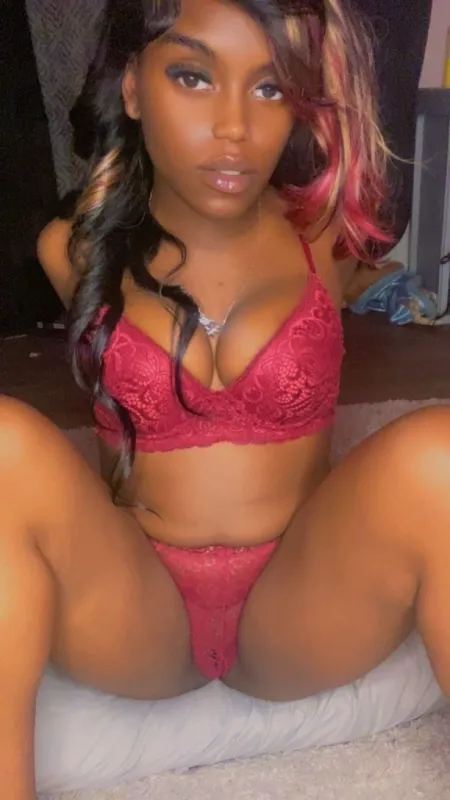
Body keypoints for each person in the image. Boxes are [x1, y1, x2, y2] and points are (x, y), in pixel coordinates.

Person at [3, 0, 450, 795]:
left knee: (439, 457)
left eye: (271, 88)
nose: (236, 127)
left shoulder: (325, 234)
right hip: (140, 615)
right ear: (132, 87)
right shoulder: (69, 249)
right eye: (193, 76)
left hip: (297, 605)